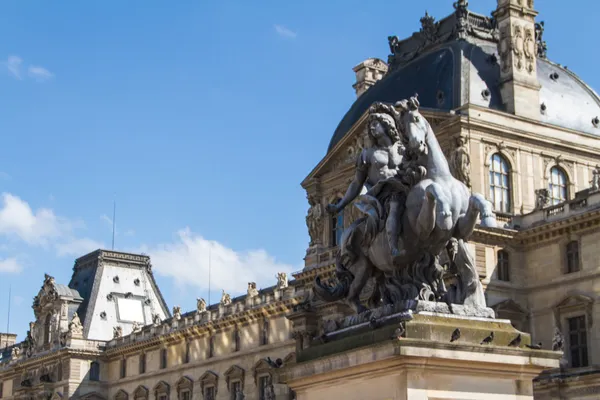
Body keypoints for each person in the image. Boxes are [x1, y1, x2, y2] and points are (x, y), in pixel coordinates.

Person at [327, 105, 408, 262]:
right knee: (394, 206)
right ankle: (393, 248)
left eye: (375, 124)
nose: (371, 128)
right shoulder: (367, 154)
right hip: (381, 195)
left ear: (387, 125)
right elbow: (357, 183)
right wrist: (340, 205)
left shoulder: (403, 149)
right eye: (370, 125)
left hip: (404, 189)